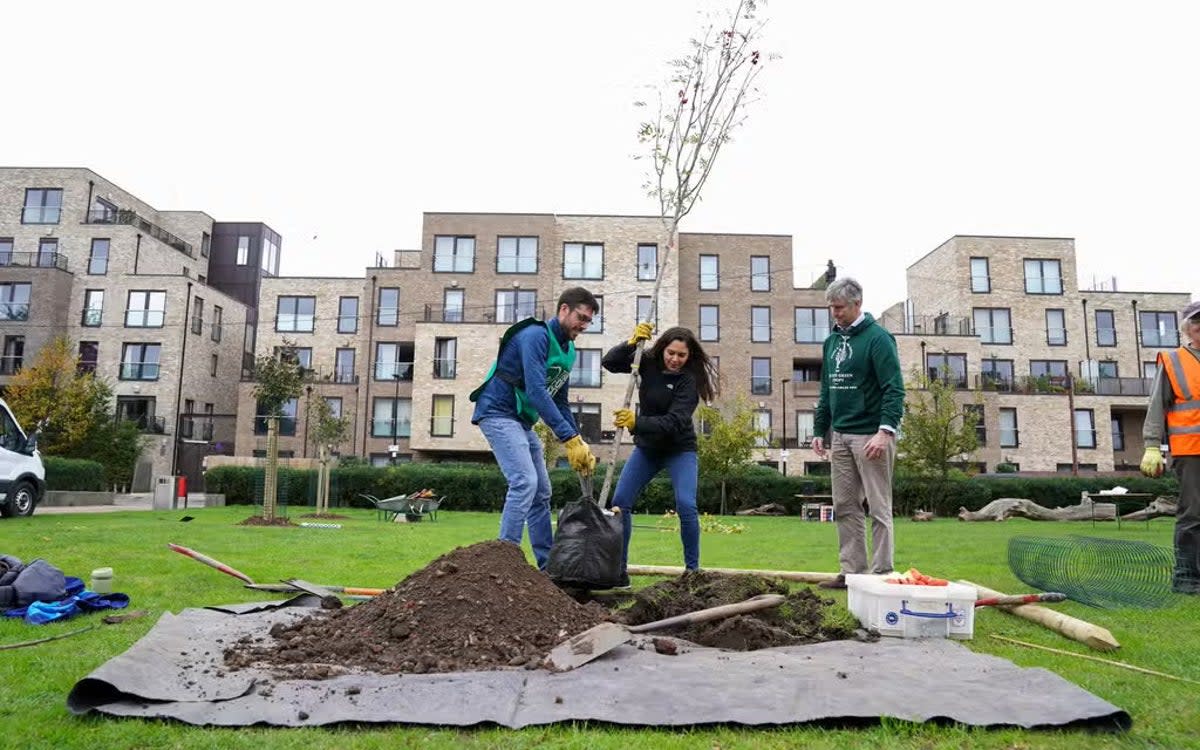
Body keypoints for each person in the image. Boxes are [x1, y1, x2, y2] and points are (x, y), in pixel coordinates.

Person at [470, 287, 599, 569]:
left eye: (589, 321)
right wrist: (568, 437)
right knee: (524, 482)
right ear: (563, 309)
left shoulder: (569, 351)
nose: (584, 325)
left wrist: (576, 439)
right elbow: (538, 391)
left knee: (542, 491)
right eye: (581, 317)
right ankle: (505, 562)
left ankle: (547, 567)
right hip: (497, 411)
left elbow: (560, 400)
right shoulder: (535, 336)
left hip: (521, 420)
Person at [603, 324, 717, 584]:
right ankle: (619, 572)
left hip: (679, 449)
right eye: (671, 353)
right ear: (662, 347)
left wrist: (635, 422)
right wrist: (631, 343)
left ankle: (692, 572)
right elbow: (610, 362)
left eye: (681, 355)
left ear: (689, 357)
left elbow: (674, 422)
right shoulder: (648, 362)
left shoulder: (688, 382)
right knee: (620, 503)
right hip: (648, 449)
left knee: (686, 504)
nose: (675, 360)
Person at [811, 277, 905, 589]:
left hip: (871, 436)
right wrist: (819, 430)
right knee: (844, 506)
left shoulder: (878, 339)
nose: (834, 313)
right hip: (840, 435)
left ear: (857, 304)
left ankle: (881, 574)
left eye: (839, 307)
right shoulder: (832, 342)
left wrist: (885, 431)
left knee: (878, 507)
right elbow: (827, 390)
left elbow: (894, 388)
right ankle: (852, 572)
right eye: (831, 308)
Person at [1141, 299, 1200, 594]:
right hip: (1191, 452)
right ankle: (1187, 579)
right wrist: (1152, 445)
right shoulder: (1174, 360)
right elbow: (1156, 406)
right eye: (1197, 322)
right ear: (1187, 328)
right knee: (1192, 515)